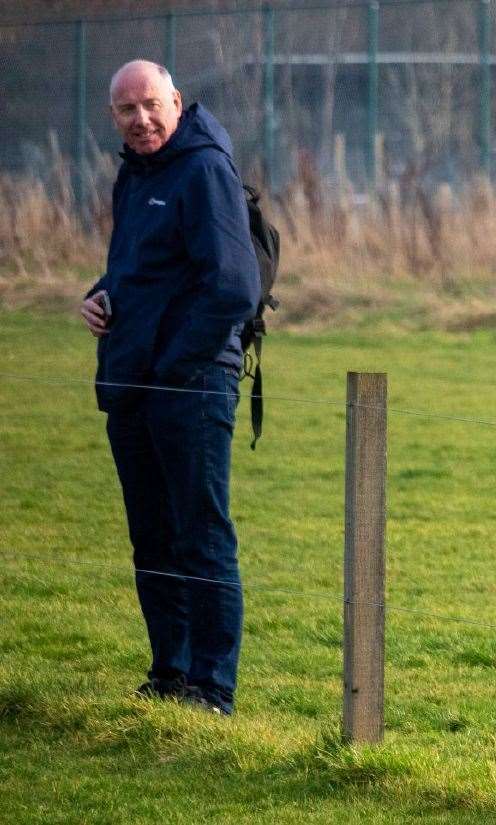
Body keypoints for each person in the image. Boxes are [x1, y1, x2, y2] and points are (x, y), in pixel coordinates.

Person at [78, 60, 260, 716]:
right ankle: (170, 672)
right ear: (114, 117)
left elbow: (235, 287)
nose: (141, 119)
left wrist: (177, 366)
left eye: (151, 104)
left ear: (176, 102)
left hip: (190, 385)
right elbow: (135, 271)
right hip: (132, 380)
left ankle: (213, 687)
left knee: (200, 534)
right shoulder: (135, 174)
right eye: (127, 110)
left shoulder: (204, 169)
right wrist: (100, 299)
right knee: (151, 533)